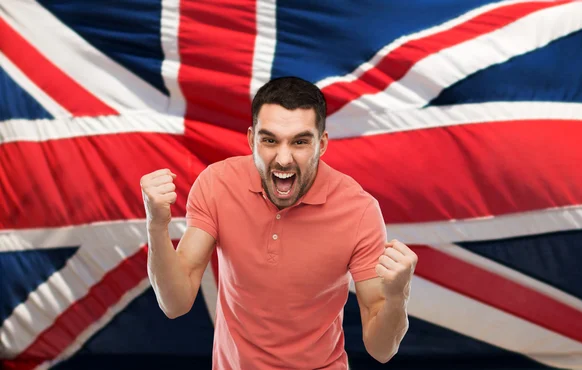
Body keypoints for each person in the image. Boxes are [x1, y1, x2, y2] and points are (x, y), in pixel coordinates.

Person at [140, 76, 418, 369]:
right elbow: (175, 303)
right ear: (251, 140)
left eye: (300, 142)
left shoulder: (359, 210)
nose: (283, 159)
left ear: (321, 144)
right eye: (270, 140)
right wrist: (157, 225)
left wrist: (398, 295)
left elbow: (381, 350)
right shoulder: (216, 184)